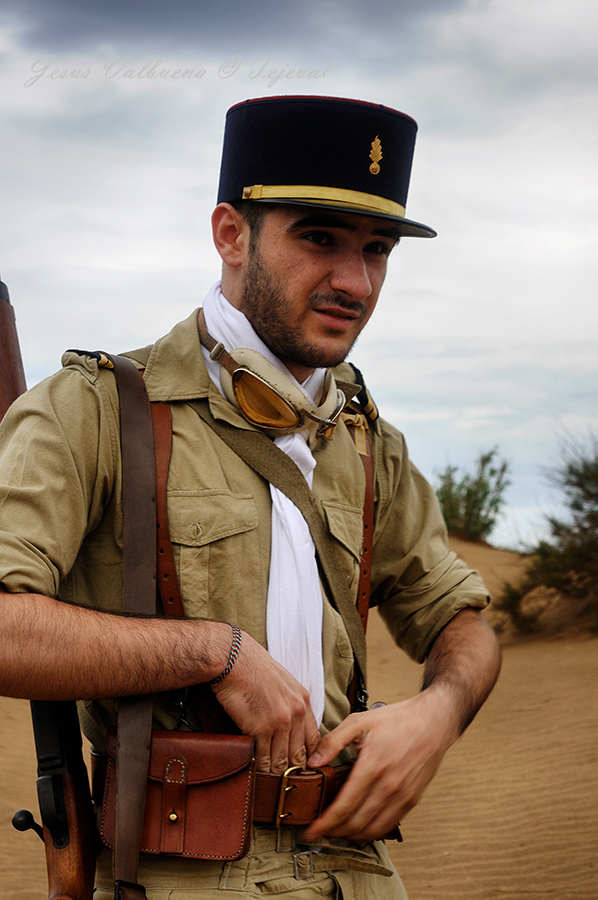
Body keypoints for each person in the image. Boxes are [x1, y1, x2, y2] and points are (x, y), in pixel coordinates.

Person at [0, 96, 500, 899]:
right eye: (319, 239)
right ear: (231, 234)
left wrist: (437, 716)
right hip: (173, 875)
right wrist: (213, 653)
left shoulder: (369, 442)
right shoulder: (93, 410)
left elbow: (461, 620)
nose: (356, 281)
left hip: (360, 876)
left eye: (377, 250)